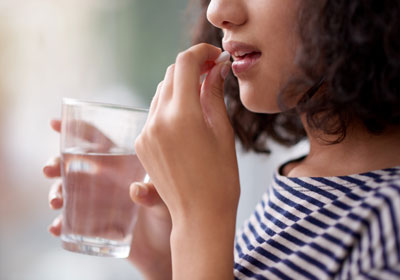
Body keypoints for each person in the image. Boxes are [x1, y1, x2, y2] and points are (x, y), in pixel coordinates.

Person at [43, 0, 400, 279]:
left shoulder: (391, 225)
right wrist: (168, 259)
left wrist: (199, 220)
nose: (217, 12)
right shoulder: (302, 181)